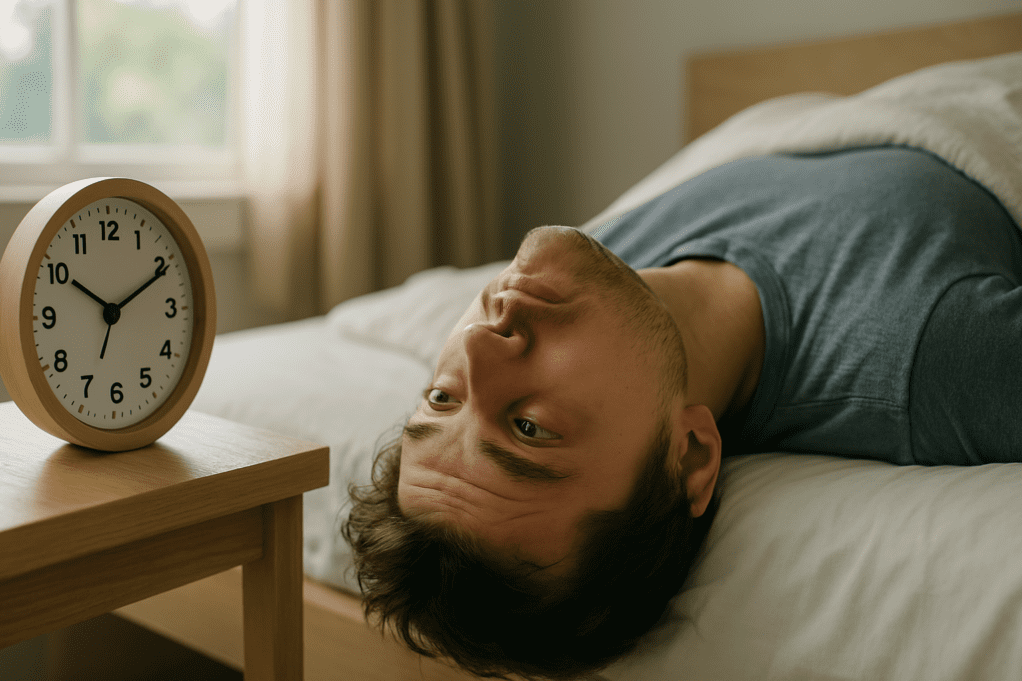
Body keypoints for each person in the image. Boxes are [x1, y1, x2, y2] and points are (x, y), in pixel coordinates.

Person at [343, 145, 1022, 680]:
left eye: (442, 398)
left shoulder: (596, 262)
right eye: (529, 427)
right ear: (693, 454)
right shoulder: (942, 355)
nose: (480, 346)